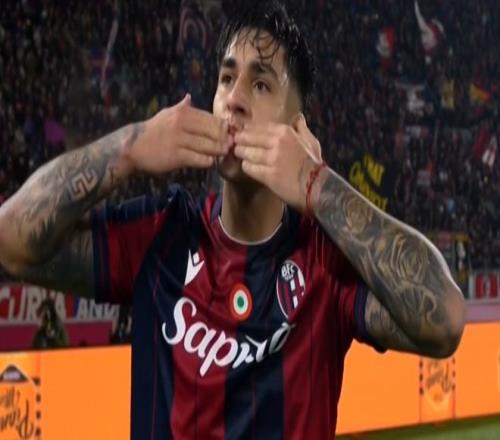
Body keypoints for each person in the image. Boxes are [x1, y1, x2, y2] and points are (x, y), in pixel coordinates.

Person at [0, 2, 465, 438]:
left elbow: (443, 320)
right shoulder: (163, 232)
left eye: (260, 84)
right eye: (226, 78)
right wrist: (128, 148)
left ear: (297, 129)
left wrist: (318, 184)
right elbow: (10, 238)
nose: (234, 99)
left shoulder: (324, 260)